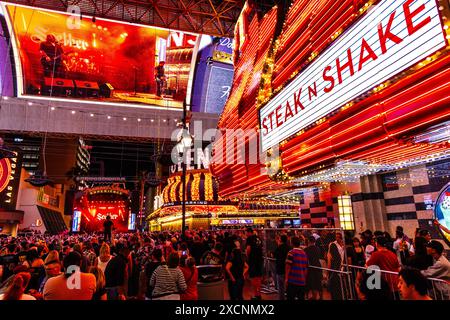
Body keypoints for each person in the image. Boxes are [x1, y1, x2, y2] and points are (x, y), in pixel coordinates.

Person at [285, 236, 308, 300]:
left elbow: (288, 267)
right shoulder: (304, 253)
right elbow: (306, 268)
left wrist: (286, 278)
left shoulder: (291, 252)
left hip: (293, 281)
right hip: (302, 281)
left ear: (292, 243)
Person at [245, 228, 264, 300]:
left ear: (249, 232)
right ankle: (259, 294)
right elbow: (261, 248)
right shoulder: (258, 238)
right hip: (259, 259)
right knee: (258, 277)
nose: (245, 234)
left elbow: (248, 249)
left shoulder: (249, 238)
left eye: (246, 232)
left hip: (253, 260)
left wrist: (247, 256)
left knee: (253, 277)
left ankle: (255, 294)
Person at [304, 236, 323, 300]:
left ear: (309, 241)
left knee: (313, 284)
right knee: (319, 283)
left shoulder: (306, 250)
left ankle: (314, 297)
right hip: (318, 266)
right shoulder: (318, 248)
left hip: (311, 267)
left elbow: (306, 260)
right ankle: (321, 297)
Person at [274, 234, 290, 300]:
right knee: (288, 286)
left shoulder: (279, 248)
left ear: (280, 240)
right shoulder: (289, 247)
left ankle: (281, 298)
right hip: (288, 269)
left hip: (280, 268)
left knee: (280, 287)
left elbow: (275, 255)